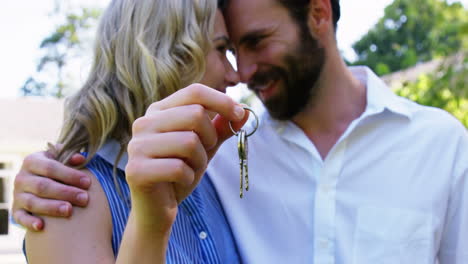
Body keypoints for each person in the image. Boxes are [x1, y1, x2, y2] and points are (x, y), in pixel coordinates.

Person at [13, 0, 468, 263]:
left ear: (318, 14)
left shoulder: (440, 144)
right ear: (167, 52)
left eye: (254, 42)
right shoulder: (217, 158)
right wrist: (35, 184)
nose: (242, 72)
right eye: (226, 48)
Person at [19, 0, 250, 263]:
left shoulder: (215, 172)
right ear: (165, 53)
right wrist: (151, 224)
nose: (236, 75)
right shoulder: (67, 198)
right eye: (221, 49)